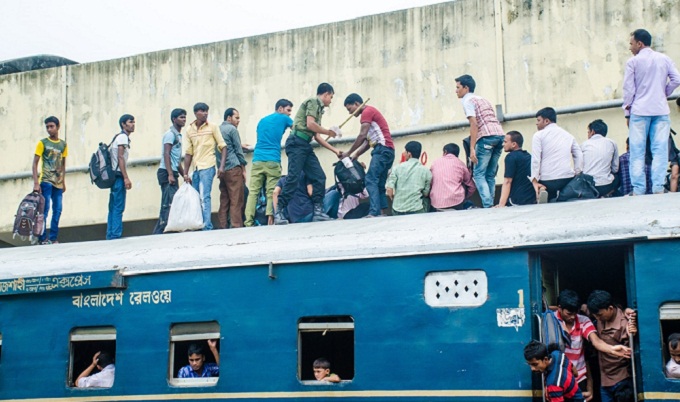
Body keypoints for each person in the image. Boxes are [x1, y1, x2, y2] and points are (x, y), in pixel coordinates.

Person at [274, 83, 342, 225]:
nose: (331, 100)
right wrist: (329, 132)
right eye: (331, 96)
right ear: (325, 94)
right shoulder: (313, 102)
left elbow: (316, 136)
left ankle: (318, 212)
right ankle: (279, 211)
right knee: (293, 178)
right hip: (297, 142)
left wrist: (335, 150)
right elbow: (310, 124)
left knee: (319, 177)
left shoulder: (319, 109)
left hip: (305, 145)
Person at [623, 28, 680, 195]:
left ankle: (639, 189)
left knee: (637, 151)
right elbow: (677, 79)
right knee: (660, 150)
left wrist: (627, 113)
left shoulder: (632, 62)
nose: (630, 47)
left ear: (640, 44)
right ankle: (658, 187)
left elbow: (628, 90)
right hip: (661, 110)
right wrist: (664, 92)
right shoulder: (664, 59)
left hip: (640, 111)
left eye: (631, 43)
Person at [551, 290, 632, 401]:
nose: (572, 317)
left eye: (575, 313)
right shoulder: (550, 320)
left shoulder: (583, 320)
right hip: (557, 379)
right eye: (569, 314)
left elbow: (596, 341)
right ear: (559, 308)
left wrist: (612, 349)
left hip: (578, 380)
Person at [341, 93, 395, 217]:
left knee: (370, 180)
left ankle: (374, 212)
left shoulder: (366, 112)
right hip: (388, 150)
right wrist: (356, 155)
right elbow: (367, 141)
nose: (350, 113)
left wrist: (348, 153)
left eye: (350, 109)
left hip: (381, 150)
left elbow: (362, 135)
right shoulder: (371, 112)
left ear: (356, 104)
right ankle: (381, 212)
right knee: (379, 183)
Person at [455, 74, 505, 208]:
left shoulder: (467, 101)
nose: (456, 91)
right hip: (500, 136)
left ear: (466, 88)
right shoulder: (483, 99)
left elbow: (474, 124)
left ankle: (488, 206)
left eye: (458, 87)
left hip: (486, 137)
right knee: (490, 174)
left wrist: (472, 149)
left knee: (478, 174)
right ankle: (492, 204)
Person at [244, 99, 294, 226]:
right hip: (272, 159)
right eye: (288, 110)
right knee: (271, 191)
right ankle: (270, 220)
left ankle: (248, 221)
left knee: (253, 192)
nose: (289, 114)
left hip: (257, 159)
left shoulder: (262, 121)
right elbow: (297, 129)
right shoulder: (284, 118)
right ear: (280, 109)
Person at [183, 103, 227, 231]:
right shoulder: (189, 130)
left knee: (205, 196)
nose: (205, 113)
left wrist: (221, 167)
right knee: (196, 197)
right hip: (195, 168)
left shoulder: (212, 127)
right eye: (202, 111)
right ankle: (198, 223)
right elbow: (188, 153)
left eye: (207, 111)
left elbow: (223, 146)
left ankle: (207, 225)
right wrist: (185, 173)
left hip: (208, 165)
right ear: (196, 113)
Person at [586, 290, 638, 402]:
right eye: (595, 315)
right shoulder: (599, 317)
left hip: (622, 380)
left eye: (599, 315)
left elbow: (631, 352)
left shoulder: (624, 324)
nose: (597, 318)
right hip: (604, 380)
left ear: (610, 308)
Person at [530, 107, 584, 203]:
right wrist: (577, 172)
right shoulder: (568, 135)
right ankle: (563, 195)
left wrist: (534, 180)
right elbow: (578, 154)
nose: (536, 123)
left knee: (540, 187)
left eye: (538, 120)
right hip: (566, 178)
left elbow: (536, 159)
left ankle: (542, 190)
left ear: (546, 121)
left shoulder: (538, 135)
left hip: (547, 180)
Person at [32, 116, 67, 245]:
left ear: (58, 127)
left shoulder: (63, 144)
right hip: (46, 181)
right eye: (47, 127)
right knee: (44, 210)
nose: (49, 129)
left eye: (51, 126)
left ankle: (53, 237)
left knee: (57, 210)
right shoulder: (42, 143)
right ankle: (42, 238)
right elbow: (34, 164)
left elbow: (63, 164)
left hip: (58, 182)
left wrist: (63, 181)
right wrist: (36, 183)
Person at [153, 108, 186, 234]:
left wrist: (184, 175)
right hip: (166, 172)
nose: (184, 120)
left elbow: (176, 160)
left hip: (172, 171)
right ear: (174, 119)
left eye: (184, 117)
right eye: (181, 117)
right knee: (168, 203)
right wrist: (170, 174)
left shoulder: (178, 136)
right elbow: (166, 154)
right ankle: (160, 231)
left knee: (172, 202)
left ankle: (165, 228)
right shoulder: (170, 134)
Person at [217, 107, 247, 229]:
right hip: (234, 168)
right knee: (236, 199)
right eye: (237, 118)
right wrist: (243, 169)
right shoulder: (232, 129)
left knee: (224, 199)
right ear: (229, 118)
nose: (238, 121)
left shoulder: (217, 129)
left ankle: (223, 226)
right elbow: (238, 151)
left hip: (221, 168)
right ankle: (236, 226)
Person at [106, 114, 135, 240]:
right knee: (118, 206)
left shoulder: (117, 137)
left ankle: (110, 234)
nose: (133, 124)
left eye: (134, 122)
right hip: (118, 176)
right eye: (130, 122)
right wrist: (126, 177)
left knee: (113, 207)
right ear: (123, 124)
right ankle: (115, 235)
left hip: (113, 176)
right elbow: (120, 157)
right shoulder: (122, 137)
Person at [386, 141, 432, 215]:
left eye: (405, 151)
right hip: (416, 210)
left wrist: (393, 200)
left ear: (409, 154)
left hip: (398, 210)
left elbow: (389, 188)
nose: (404, 153)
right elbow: (426, 193)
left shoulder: (397, 168)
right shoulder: (426, 171)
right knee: (426, 200)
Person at [429, 143, 475, 211]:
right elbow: (472, 186)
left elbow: (430, 183)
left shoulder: (434, 163)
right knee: (464, 182)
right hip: (456, 202)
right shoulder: (460, 163)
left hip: (436, 203)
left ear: (445, 152)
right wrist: (465, 197)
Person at [581, 119, 620, 197]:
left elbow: (579, 168)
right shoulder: (612, 143)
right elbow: (615, 169)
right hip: (605, 185)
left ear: (593, 131)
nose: (588, 134)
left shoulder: (583, 144)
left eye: (588, 132)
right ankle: (608, 194)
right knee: (617, 177)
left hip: (588, 186)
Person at [497, 131, 535, 207]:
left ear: (514, 144)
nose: (503, 144)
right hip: (531, 199)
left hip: (517, 200)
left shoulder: (511, 157)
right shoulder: (528, 156)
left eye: (505, 142)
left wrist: (501, 204)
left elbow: (507, 181)